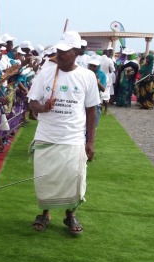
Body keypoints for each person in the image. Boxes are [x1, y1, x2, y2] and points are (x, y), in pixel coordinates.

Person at [28, 31, 99, 236]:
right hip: (47, 135)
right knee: (45, 178)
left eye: (64, 52)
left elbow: (91, 109)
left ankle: (70, 214)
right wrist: (43, 108)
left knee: (74, 178)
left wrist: (90, 141)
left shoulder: (87, 76)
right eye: (58, 50)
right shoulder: (45, 73)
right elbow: (33, 102)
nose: (59, 55)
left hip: (73, 137)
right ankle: (45, 213)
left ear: (76, 52)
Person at [87, 59, 106, 125]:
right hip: (84, 99)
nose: (92, 68)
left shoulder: (102, 75)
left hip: (95, 99)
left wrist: (97, 81)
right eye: (90, 66)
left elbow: (103, 89)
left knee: (93, 122)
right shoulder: (84, 73)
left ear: (98, 67)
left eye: (94, 66)